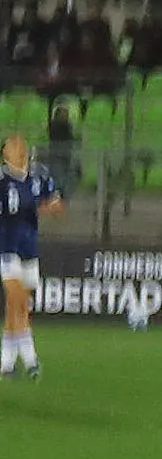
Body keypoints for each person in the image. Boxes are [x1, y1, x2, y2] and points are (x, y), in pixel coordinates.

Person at [0, 132, 61, 377]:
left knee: (20, 307)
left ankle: (6, 362)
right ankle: (31, 358)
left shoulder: (39, 176)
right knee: (16, 299)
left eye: (20, 143)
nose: (18, 147)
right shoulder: (2, 181)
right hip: (6, 247)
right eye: (12, 146)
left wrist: (49, 207)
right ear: (5, 153)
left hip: (29, 249)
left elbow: (57, 205)